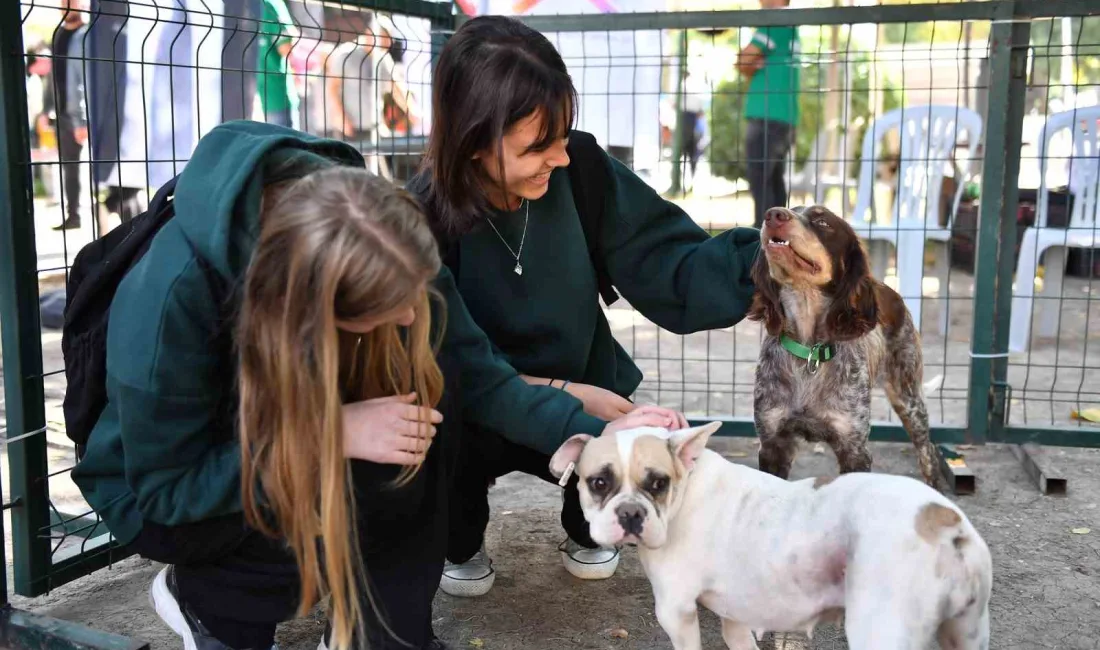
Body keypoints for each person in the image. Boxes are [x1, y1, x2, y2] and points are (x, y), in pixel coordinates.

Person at [71, 120, 680, 650]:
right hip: (168, 488)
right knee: (325, 489)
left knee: (424, 414)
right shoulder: (170, 303)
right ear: (306, 308)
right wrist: (328, 433)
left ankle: (384, 633)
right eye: (386, 309)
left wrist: (605, 435)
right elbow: (168, 491)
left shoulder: (378, 224)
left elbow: (479, 375)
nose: (413, 317)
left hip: (292, 426)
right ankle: (212, 607)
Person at [407, 15, 761, 599]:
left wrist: (761, 269)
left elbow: (668, 261)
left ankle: (587, 524)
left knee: (611, 495)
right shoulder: (420, 219)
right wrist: (567, 396)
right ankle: (460, 538)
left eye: (563, 137)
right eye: (536, 146)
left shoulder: (584, 171)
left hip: (587, 390)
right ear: (473, 143)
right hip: (479, 405)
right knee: (439, 443)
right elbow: (457, 370)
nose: (561, 158)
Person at [737, 0, 801, 230]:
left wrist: (752, 63)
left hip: (766, 113)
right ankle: (778, 234)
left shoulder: (773, 22)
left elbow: (743, 60)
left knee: (760, 179)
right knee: (774, 180)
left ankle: (761, 235)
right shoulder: (792, 27)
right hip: (786, 116)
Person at [49, 0, 89, 230]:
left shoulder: (87, 36)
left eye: (70, 1)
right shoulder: (58, 35)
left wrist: (81, 119)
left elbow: (81, 79)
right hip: (63, 113)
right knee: (69, 167)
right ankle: (73, 215)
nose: (65, 5)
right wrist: (48, 109)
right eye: (63, 1)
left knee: (99, 166)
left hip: (83, 115)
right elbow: (55, 78)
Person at [256, 0, 300, 129]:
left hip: (246, 92)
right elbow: (286, 47)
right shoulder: (271, 4)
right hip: (273, 95)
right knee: (282, 144)